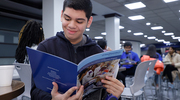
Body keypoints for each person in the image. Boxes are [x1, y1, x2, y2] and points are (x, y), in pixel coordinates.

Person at [30, 0, 124, 100]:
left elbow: (103, 95)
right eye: (67, 18)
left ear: (89, 22)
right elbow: (35, 92)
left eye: (79, 21)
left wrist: (114, 94)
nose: (71, 25)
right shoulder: (46, 48)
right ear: (61, 15)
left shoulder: (97, 53)